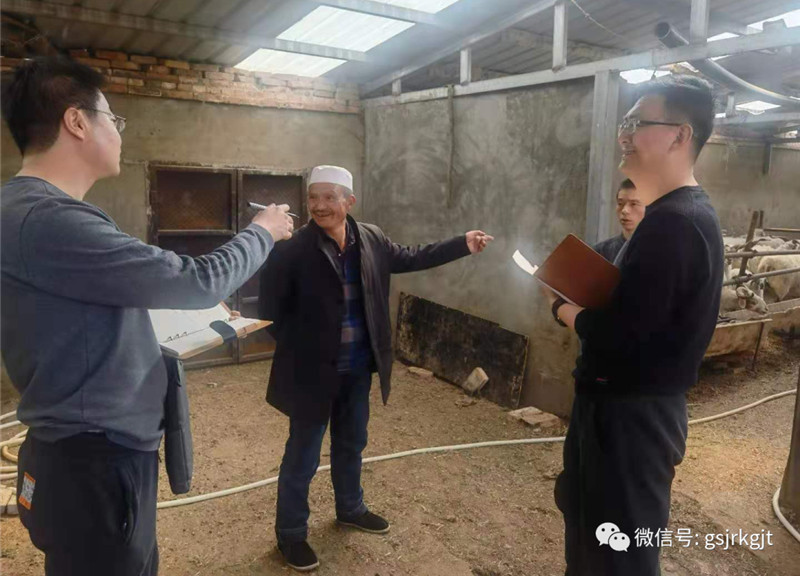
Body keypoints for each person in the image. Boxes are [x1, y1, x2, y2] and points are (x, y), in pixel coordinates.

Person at [1, 55, 294, 576]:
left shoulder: (25, 211)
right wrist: (262, 232)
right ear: (76, 121)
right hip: (94, 461)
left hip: (82, 453)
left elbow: (79, 315)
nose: (119, 132)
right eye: (113, 118)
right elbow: (198, 281)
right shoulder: (48, 218)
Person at [259, 165, 493, 571]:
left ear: (349, 201)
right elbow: (270, 310)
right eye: (313, 197)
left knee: (352, 443)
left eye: (329, 197)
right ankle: (291, 535)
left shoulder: (371, 238)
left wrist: (462, 244)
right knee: (303, 456)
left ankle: (350, 508)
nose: (319, 206)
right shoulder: (292, 248)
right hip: (312, 374)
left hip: (357, 368)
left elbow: (413, 256)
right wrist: (304, 349)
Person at [543, 75, 723, 575]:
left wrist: (562, 309)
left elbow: (622, 336)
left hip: (631, 419)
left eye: (638, 123)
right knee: (593, 537)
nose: (624, 134)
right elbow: (641, 316)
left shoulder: (674, 223)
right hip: (624, 412)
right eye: (625, 122)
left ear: (680, 136)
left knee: (620, 555)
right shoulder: (673, 217)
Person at [592, 179, 644, 263]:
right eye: (620, 204)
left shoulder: (661, 251)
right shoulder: (599, 252)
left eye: (633, 204)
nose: (624, 210)